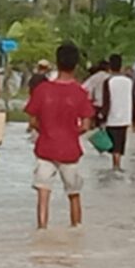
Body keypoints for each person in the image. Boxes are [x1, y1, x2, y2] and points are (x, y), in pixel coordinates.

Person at [25, 42, 96, 229]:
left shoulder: (42, 90)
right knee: (74, 194)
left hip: (45, 148)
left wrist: (47, 130)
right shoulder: (80, 93)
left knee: (43, 194)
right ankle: (76, 229)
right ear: (76, 65)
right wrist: (71, 132)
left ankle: (42, 229)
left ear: (57, 62)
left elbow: (32, 121)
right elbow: (86, 125)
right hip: (70, 150)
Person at [101, 57, 135, 171]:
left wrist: (102, 117)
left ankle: (115, 166)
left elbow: (106, 102)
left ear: (109, 67)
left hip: (112, 117)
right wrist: (134, 119)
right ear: (121, 66)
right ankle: (118, 165)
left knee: (114, 145)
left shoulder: (108, 81)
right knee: (120, 143)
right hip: (126, 117)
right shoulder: (129, 81)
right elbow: (133, 100)